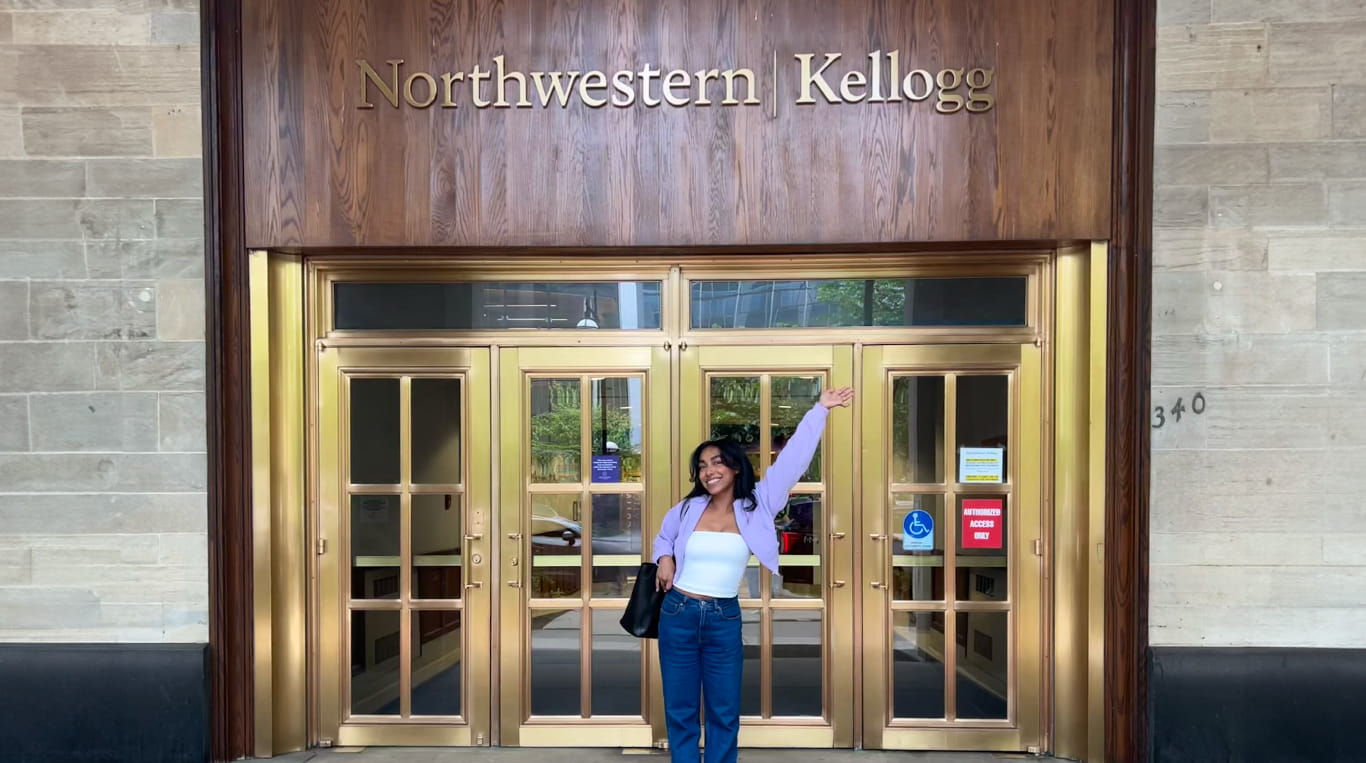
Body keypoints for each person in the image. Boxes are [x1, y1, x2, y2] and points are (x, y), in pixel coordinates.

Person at [651, 387, 854, 763]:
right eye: (702, 465)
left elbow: (793, 461)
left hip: (723, 618)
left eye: (716, 463)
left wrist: (819, 411)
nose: (708, 471)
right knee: (680, 712)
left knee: (723, 712)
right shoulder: (686, 509)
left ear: (735, 466)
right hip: (678, 613)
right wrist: (664, 558)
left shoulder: (758, 504)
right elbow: (663, 539)